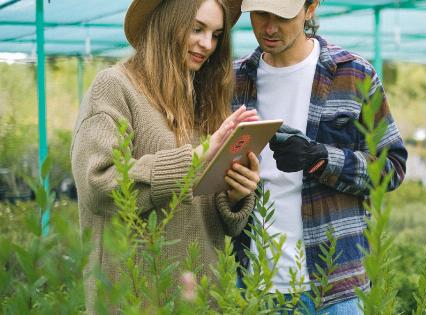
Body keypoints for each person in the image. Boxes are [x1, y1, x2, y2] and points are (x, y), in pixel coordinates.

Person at [71, 0, 258, 312]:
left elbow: (203, 213)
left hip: (203, 297)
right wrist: (196, 158)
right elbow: (99, 184)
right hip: (136, 297)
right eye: (197, 28)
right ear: (166, 22)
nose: (207, 44)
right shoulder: (115, 87)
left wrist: (235, 195)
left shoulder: (202, 98)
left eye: (216, 34)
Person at [231, 0, 408, 313]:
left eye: (282, 16)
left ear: (310, 8)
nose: (269, 28)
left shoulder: (354, 75)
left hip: (335, 286)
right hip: (253, 284)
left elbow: (391, 167)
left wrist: (321, 159)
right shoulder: (233, 80)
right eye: (260, 15)